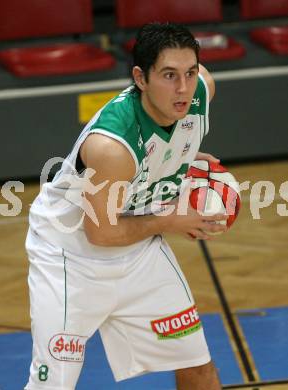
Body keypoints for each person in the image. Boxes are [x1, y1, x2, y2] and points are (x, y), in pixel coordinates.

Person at [25, 22, 228, 390]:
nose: (183, 88)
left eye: (190, 72)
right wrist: (170, 219)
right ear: (140, 77)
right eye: (168, 75)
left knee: (198, 366)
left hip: (138, 253)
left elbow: (164, 140)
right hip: (70, 256)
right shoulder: (111, 148)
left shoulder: (201, 90)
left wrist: (180, 157)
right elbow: (101, 233)